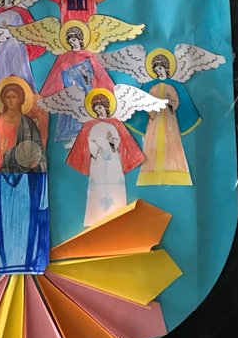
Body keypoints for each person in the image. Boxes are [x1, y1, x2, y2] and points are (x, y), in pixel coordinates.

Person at [0, 80, 49, 273]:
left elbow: (39, 152)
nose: (11, 101)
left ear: (21, 99)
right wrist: (1, 153)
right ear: (2, 100)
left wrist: (34, 160)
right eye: (8, 97)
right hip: (2, 179)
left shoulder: (29, 124)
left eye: (14, 97)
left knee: (26, 221)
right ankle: (5, 261)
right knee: (4, 222)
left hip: (26, 180)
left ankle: (28, 260)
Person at [66, 92, 143, 226]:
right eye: (96, 110)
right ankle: (95, 218)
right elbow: (89, 143)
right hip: (98, 160)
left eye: (100, 108)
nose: (99, 111)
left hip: (113, 160)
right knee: (97, 187)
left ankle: (118, 216)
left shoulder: (115, 124)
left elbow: (118, 141)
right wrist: (96, 148)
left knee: (115, 185)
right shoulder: (90, 126)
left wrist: (112, 142)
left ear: (106, 107)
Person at [40, 23, 115, 144]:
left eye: (74, 40)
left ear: (80, 39)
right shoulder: (64, 57)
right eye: (70, 41)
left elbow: (97, 74)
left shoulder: (88, 56)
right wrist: (70, 84)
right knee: (73, 119)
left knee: (88, 118)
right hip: (72, 93)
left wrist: (87, 80)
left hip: (87, 92)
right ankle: (74, 141)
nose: (72, 43)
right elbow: (58, 75)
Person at [131, 54, 200, 186]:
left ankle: (175, 173)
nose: (159, 71)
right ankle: (150, 175)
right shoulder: (152, 87)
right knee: (153, 143)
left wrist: (170, 103)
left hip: (169, 120)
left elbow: (175, 102)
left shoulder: (172, 87)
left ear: (166, 68)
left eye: (160, 68)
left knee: (171, 144)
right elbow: (147, 104)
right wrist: (153, 106)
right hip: (155, 121)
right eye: (156, 70)